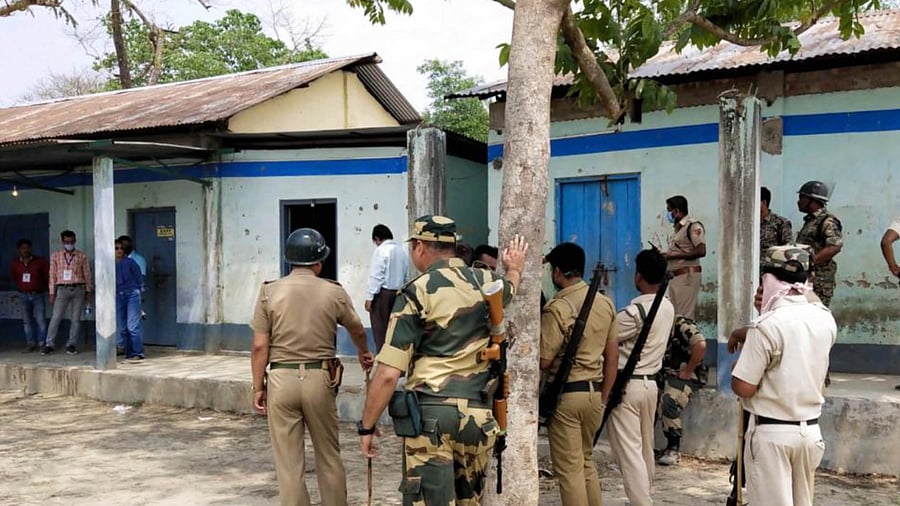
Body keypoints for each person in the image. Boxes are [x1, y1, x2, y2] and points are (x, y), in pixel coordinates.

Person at [357, 216, 527, 505]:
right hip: (479, 418)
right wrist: (514, 268)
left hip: (430, 420)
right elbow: (509, 288)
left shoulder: (416, 291)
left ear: (420, 247)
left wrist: (367, 426)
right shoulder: (487, 281)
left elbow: (387, 373)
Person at [250, 228, 374, 506]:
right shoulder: (333, 291)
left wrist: (258, 386)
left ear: (289, 261)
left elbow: (259, 347)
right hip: (320, 378)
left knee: (288, 463)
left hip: (281, 379)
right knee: (328, 456)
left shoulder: (269, 292)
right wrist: (364, 352)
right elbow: (357, 329)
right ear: (319, 263)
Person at [729, 245, 836, 506]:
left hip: (772, 434)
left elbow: (743, 387)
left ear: (769, 281)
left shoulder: (766, 326)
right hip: (810, 432)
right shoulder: (825, 319)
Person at [540, 242, 618, 506]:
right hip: (594, 394)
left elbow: (544, 360)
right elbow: (612, 357)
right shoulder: (605, 303)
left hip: (567, 397)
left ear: (557, 272)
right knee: (586, 464)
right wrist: (604, 396)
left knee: (569, 472)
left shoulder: (558, 307)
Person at [608, 248, 675, 506]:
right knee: (645, 447)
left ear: (638, 277)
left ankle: (641, 501)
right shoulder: (667, 307)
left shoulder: (635, 312)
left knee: (630, 452)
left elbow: (607, 336)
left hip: (629, 384)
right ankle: (645, 495)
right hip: (650, 384)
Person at [656, 316, 708, 466]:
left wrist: (688, 370)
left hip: (686, 376)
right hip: (660, 374)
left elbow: (700, 344)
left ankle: (673, 447)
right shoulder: (649, 322)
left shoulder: (681, 324)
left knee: (669, 400)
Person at [44, 230, 92, 355]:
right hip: (62, 289)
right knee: (56, 317)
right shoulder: (56, 256)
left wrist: (88, 291)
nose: (69, 244)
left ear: (75, 241)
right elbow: (52, 275)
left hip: (78, 288)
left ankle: (71, 344)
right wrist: (51, 293)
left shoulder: (82, 256)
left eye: (71, 241)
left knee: (75, 319)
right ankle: (49, 344)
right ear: (62, 242)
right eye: (66, 242)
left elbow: (87, 274)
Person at [795, 181, 843, 307]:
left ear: (812, 200)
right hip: (807, 280)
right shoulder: (811, 221)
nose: (798, 201)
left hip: (819, 282)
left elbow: (834, 246)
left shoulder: (827, 221)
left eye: (802, 198)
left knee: (817, 319)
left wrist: (809, 263)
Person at [365, 224, 409, 353]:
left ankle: (382, 357)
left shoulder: (381, 251)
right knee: (394, 329)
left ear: (377, 238)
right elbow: (406, 275)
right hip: (399, 294)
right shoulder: (402, 251)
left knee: (380, 330)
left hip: (382, 295)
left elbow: (376, 276)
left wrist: (369, 297)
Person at [664, 195, 706, 319]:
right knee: (676, 315)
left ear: (676, 211)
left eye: (669, 210)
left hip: (687, 276)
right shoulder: (678, 229)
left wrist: (673, 255)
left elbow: (701, 250)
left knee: (684, 316)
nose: (668, 214)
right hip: (676, 277)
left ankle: (688, 338)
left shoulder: (692, 226)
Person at [10, 239, 49, 353]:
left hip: (38, 295)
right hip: (23, 296)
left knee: (40, 320)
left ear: (31, 248)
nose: (25, 250)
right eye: (23, 248)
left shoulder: (40, 262)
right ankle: (30, 344)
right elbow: (14, 278)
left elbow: (46, 276)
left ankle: (42, 343)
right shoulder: (15, 263)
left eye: (27, 247)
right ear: (19, 250)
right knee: (26, 321)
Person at [115, 239, 145, 361]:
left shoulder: (130, 262)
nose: (119, 251)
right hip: (118, 295)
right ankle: (128, 352)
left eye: (121, 248)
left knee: (132, 325)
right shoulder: (109, 264)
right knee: (122, 326)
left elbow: (139, 279)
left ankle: (138, 352)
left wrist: (140, 294)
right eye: (116, 248)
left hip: (132, 294)